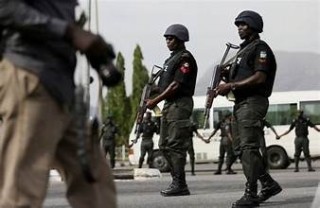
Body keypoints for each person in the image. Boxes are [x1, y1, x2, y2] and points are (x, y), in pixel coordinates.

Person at [0, 1, 120, 207]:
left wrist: (91, 48)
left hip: (61, 87)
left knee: (94, 180)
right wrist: (70, 32)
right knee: (22, 192)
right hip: (31, 78)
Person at [214, 10, 282, 207]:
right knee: (239, 148)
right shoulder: (242, 52)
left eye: (243, 24)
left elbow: (260, 77)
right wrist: (226, 77)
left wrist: (231, 85)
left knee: (248, 147)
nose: (239, 28)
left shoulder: (260, 49)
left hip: (253, 102)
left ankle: (251, 193)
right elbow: (239, 79)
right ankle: (268, 184)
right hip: (240, 104)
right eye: (237, 25)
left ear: (254, 26)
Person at [146, 24, 198, 197]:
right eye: (166, 38)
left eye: (171, 38)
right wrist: (152, 92)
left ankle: (180, 184)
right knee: (163, 145)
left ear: (181, 39)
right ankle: (177, 180)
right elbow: (165, 86)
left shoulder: (185, 58)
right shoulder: (170, 60)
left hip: (180, 104)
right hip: (169, 104)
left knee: (175, 145)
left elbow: (176, 85)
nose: (167, 41)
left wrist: (156, 100)